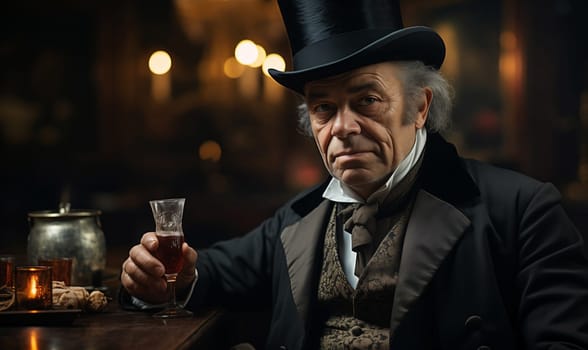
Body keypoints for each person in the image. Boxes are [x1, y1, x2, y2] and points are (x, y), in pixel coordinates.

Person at [120, 0, 588, 348]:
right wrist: (166, 277)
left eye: (366, 100)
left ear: (419, 106)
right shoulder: (294, 221)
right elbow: (208, 272)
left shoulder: (523, 212)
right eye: (323, 107)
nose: (342, 127)